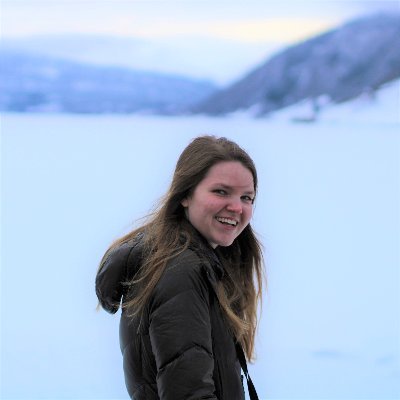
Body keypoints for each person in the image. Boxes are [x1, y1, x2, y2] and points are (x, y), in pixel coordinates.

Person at [95, 135, 263, 400]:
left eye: (247, 197)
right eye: (221, 191)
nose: (236, 207)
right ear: (185, 194)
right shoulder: (181, 272)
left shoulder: (187, 260)